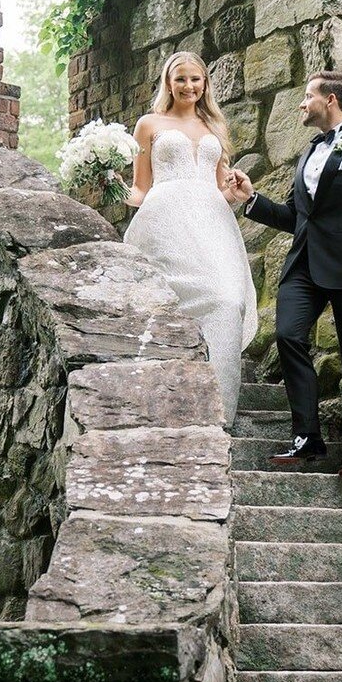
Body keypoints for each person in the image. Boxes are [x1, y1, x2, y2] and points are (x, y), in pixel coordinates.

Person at [230, 71, 342, 478]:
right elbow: (296, 218)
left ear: (331, 100)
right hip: (303, 265)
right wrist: (250, 199)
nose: (302, 104)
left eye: (308, 96)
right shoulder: (307, 154)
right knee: (288, 335)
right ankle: (307, 437)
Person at [123, 51, 257, 425]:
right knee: (169, 302)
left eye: (195, 79)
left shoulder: (214, 126)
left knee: (228, 300)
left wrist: (238, 192)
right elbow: (140, 189)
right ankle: (170, 397)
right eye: (180, 79)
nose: (189, 86)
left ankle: (218, 411)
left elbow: (222, 189)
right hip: (165, 218)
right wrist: (110, 189)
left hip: (213, 222)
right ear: (169, 82)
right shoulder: (148, 125)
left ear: (205, 84)